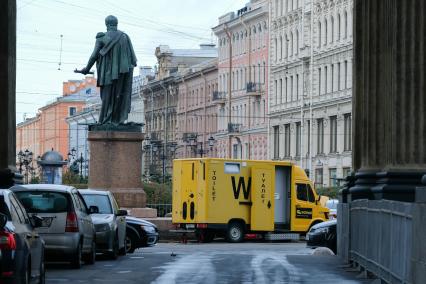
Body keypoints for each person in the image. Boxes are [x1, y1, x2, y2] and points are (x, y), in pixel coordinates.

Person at [79, 15, 137, 125]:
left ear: (106, 25)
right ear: (116, 24)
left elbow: (94, 56)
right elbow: (132, 60)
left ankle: (103, 120)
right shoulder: (125, 37)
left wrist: (87, 69)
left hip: (107, 73)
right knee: (118, 95)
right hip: (122, 73)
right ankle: (117, 120)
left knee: (106, 96)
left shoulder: (101, 37)